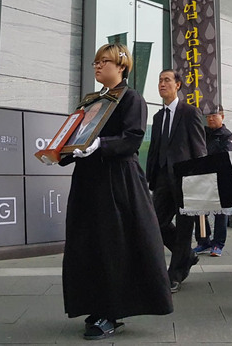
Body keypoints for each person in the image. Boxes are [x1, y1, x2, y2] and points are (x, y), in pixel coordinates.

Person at [58, 43, 173, 340]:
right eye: (96, 62)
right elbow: (76, 137)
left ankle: (112, 311)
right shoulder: (90, 101)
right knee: (87, 242)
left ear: (122, 66)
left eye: (104, 61)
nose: (97, 66)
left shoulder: (131, 98)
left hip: (117, 180)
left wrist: (101, 145)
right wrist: (58, 151)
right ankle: (95, 305)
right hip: (87, 180)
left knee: (114, 243)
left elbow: (133, 138)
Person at [146, 69, 207, 293]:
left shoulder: (190, 112)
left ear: (178, 85)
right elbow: (154, 149)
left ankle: (176, 274)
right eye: (160, 80)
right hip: (162, 180)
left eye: (167, 80)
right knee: (154, 223)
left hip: (185, 179)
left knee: (184, 228)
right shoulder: (158, 116)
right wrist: (150, 177)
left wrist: (199, 179)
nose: (162, 84)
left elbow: (199, 148)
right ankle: (187, 256)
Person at [193, 104, 232, 257]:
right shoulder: (202, 133)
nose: (210, 118)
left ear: (222, 116)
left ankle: (218, 244)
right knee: (200, 209)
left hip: (220, 177)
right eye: (208, 116)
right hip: (203, 176)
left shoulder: (227, 135)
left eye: (214, 115)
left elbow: (226, 156)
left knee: (220, 211)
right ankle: (203, 241)